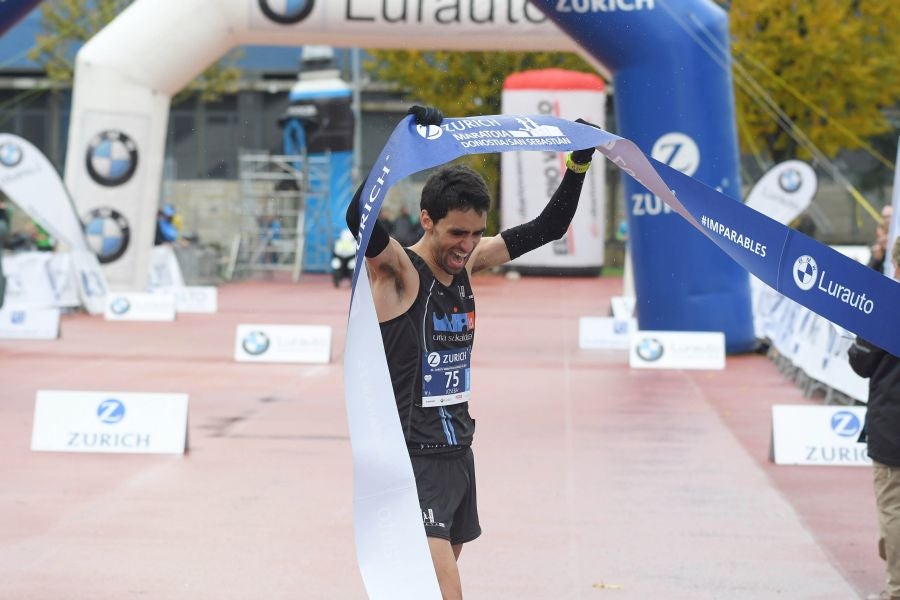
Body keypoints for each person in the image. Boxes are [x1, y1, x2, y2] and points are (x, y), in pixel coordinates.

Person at [346, 105, 597, 599]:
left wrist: (579, 163)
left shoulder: (467, 263)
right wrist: (402, 142)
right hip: (411, 460)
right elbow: (359, 216)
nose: (467, 245)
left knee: (416, 590)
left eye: (477, 233)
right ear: (427, 220)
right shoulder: (399, 272)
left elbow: (548, 226)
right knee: (444, 591)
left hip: (458, 454)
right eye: (457, 233)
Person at [849, 235, 900, 600]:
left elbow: (860, 362)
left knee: (893, 508)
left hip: (891, 426)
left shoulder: (885, 306)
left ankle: (897, 588)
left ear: (896, 266)